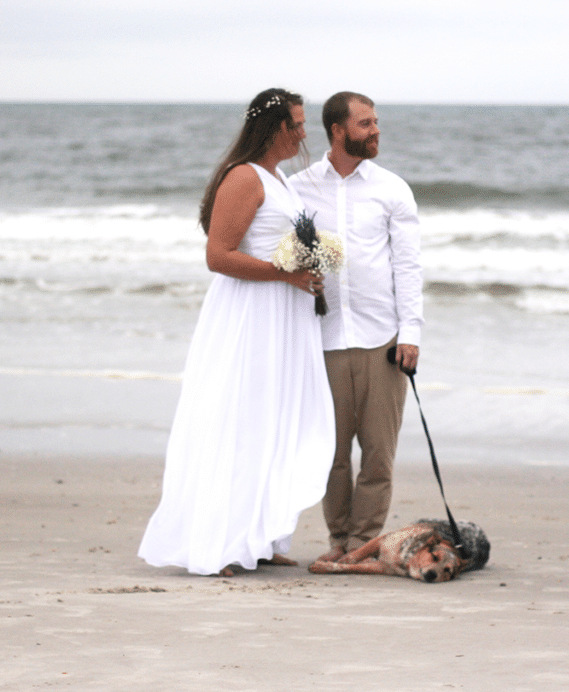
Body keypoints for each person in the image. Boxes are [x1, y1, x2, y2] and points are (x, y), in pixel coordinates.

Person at [138, 88, 336, 577]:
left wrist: (310, 265)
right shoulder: (244, 178)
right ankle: (218, 542)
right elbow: (218, 255)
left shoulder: (279, 178)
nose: (305, 132)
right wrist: (284, 273)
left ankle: (259, 537)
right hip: (251, 318)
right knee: (241, 421)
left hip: (285, 318)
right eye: (298, 124)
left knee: (274, 422)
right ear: (274, 128)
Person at [289, 91, 424, 562]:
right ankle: (336, 542)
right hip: (320, 338)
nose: (375, 130)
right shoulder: (298, 187)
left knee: (379, 455)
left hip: (382, 339)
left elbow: (408, 266)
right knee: (332, 454)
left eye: (376, 121)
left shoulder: (392, 188)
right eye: (365, 123)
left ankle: (363, 545)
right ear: (338, 131)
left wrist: (411, 332)